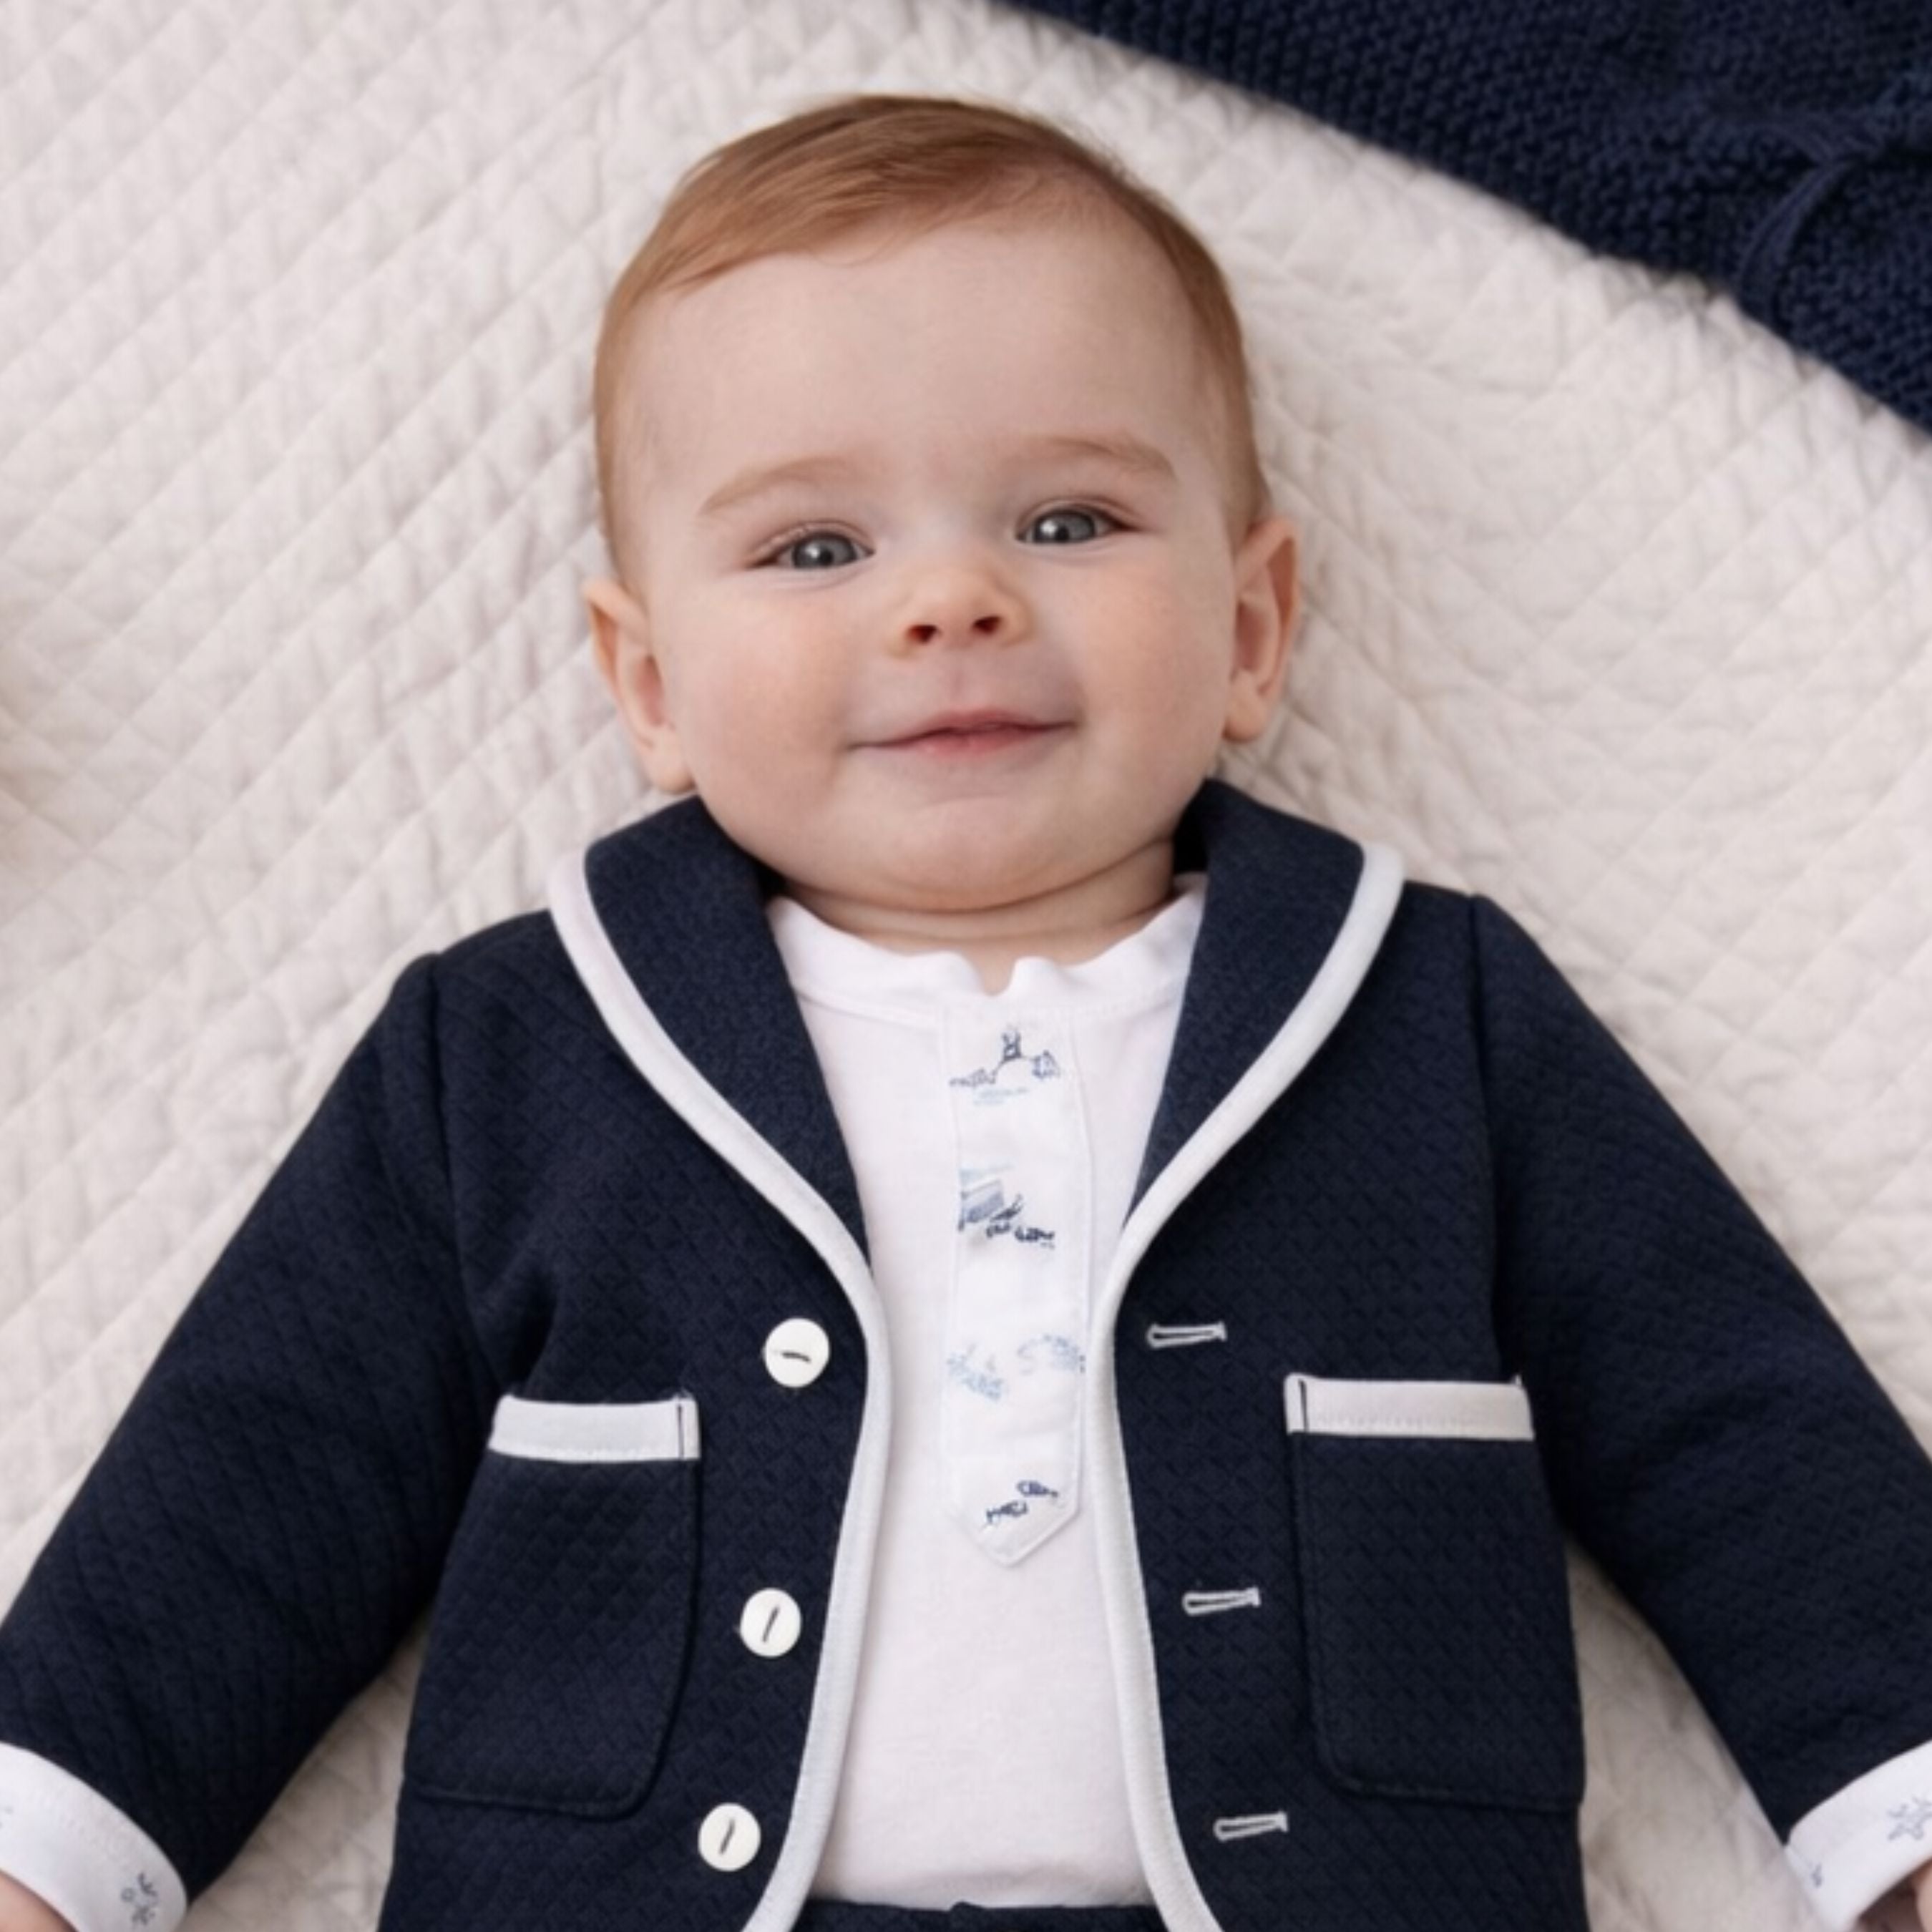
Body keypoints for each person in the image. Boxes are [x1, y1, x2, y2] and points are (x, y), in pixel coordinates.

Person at [1, 91, 1930, 1932]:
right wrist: (45, 1847)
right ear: (649, 683)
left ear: (1250, 629)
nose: (950, 601)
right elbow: (256, 1475)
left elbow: (1732, 1425)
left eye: (1068, 521)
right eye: (815, 549)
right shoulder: (510, 1050)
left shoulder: (1428, 1019)